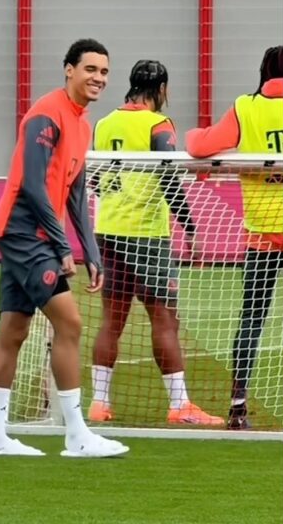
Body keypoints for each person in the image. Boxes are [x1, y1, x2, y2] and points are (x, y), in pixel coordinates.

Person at [0, 39, 129, 457]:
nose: (98, 78)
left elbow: (76, 192)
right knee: (71, 323)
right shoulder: (46, 113)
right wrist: (61, 245)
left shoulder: (82, 123)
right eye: (90, 69)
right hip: (25, 231)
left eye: (104, 71)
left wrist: (91, 250)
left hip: (33, 234)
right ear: (68, 70)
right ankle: (77, 435)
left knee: (14, 329)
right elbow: (33, 183)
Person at [88, 59, 223, 426]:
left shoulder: (104, 123)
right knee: (165, 320)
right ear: (162, 89)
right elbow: (168, 178)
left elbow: (96, 179)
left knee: (111, 322)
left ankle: (99, 404)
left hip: (109, 228)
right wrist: (191, 227)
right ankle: (180, 405)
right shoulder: (158, 125)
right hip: (147, 234)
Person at [185, 45, 283, 430]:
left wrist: (196, 135)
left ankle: (238, 404)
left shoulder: (247, 107)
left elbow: (198, 146)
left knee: (251, 319)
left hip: (261, 231)